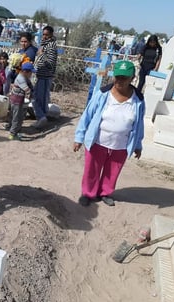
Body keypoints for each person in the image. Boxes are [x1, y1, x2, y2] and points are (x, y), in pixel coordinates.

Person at [73, 60, 145, 207]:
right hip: (98, 141)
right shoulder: (103, 94)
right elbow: (87, 116)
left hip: (121, 144)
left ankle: (105, 192)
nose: (120, 81)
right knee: (91, 169)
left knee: (112, 171)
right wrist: (79, 137)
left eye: (124, 78)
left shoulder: (138, 100)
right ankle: (88, 193)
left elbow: (139, 124)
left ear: (132, 78)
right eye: (117, 77)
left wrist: (138, 144)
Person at [32, 25, 58, 129]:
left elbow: (50, 63)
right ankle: (42, 118)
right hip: (40, 74)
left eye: (47, 35)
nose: (44, 36)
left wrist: (41, 54)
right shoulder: (44, 44)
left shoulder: (51, 46)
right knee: (38, 97)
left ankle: (42, 118)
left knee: (40, 98)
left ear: (51, 35)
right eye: (43, 34)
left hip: (45, 76)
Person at [7, 62, 35, 140]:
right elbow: (27, 90)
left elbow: (30, 85)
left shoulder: (24, 77)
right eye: (31, 72)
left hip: (19, 100)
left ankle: (17, 132)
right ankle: (12, 134)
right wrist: (33, 96)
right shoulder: (20, 79)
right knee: (16, 118)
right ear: (25, 72)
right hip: (16, 101)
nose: (31, 74)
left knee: (19, 117)